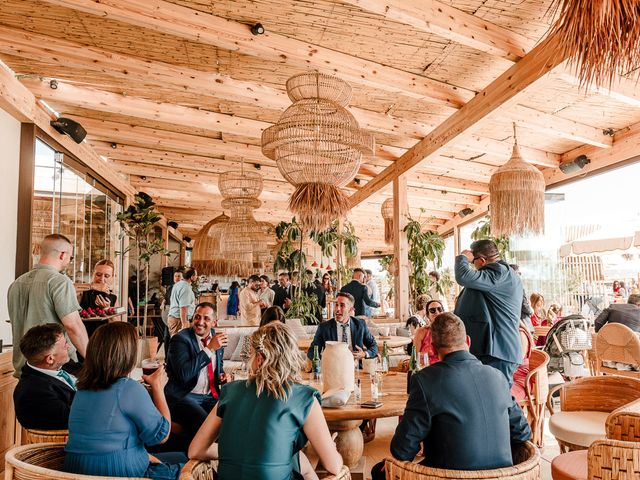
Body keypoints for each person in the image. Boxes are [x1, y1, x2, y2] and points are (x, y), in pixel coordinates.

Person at [370, 313, 531, 480]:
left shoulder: (425, 380)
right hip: (503, 475)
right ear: (468, 341)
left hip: (448, 476)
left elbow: (402, 450)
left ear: (432, 347)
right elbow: (523, 432)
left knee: (378, 471)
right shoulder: (497, 376)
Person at [189, 322, 343, 480]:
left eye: (251, 354)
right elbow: (334, 466)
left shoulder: (230, 391)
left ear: (259, 359)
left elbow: (195, 450)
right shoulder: (304, 398)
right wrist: (331, 447)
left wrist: (234, 451)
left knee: (299, 461)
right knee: (308, 470)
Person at [64, 322, 186, 479]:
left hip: (75, 471)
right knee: (188, 462)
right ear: (126, 354)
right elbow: (161, 436)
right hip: (119, 472)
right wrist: (158, 388)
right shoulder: (129, 388)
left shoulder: (82, 389)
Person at [8, 233, 88, 377]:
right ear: (63, 255)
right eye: (70, 257)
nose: (69, 260)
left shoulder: (16, 284)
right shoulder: (60, 282)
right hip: (55, 369)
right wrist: (93, 360)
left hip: (25, 368)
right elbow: (73, 326)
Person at [454, 239, 522, 385]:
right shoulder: (498, 275)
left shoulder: (498, 272)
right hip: (493, 350)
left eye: (473, 262)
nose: (473, 266)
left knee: (498, 400)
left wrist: (463, 258)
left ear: (482, 260)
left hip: (498, 351)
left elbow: (463, 276)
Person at [165, 302, 228, 439]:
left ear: (214, 322)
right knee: (207, 426)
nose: (200, 322)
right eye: (197, 317)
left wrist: (222, 376)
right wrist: (209, 349)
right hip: (185, 395)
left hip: (210, 396)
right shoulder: (180, 340)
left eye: (206, 318)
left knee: (230, 419)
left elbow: (218, 368)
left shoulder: (217, 339)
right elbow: (184, 375)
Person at [13, 323, 76, 430]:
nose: (68, 346)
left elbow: (92, 372)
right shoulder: (33, 393)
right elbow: (75, 419)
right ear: (50, 359)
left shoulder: (63, 365)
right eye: (65, 345)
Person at [306, 292, 378, 361]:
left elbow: (374, 346)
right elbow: (312, 351)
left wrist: (364, 354)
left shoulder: (360, 325)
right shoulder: (324, 327)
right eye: (336, 305)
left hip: (356, 368)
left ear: (350, 310)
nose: (338, 309)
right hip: (333, 369)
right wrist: (323, 360)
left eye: (342, 305)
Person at [78, 259, 119, 338]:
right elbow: (68, 288)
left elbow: (118, 324)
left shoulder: (113, 297)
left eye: (106, 276)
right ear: (93, 274)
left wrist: (107, 309)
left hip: (104, 339)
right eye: (98, 274)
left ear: (112, 277)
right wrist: (92, 286)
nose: (101, 278)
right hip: (84, 339)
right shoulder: (82, 293)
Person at [413, 299, 445, 366]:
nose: (437, 312)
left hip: (446, 369)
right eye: (432, 310)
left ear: (443, 312)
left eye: (439, 309)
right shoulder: (421, 332)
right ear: (427, 315)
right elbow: (414, 357)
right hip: (426, 370)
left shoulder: (450, 331)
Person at [167, 267, 197, 336]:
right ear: (191, 277)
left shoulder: (178, 284)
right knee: (178, 344)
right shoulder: (186, 287)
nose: (196, 277)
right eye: (195, 275)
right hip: (179, 320)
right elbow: (183, 307)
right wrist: (184, 323)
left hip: (175, 318)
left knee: (178, 343)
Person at [510, 264, 534, 332]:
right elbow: (525, 306)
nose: (520, 275)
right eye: (519, 273)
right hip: (523, 323)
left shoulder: (505, 288)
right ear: (515, 273)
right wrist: (531, 310)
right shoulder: (518, 287)